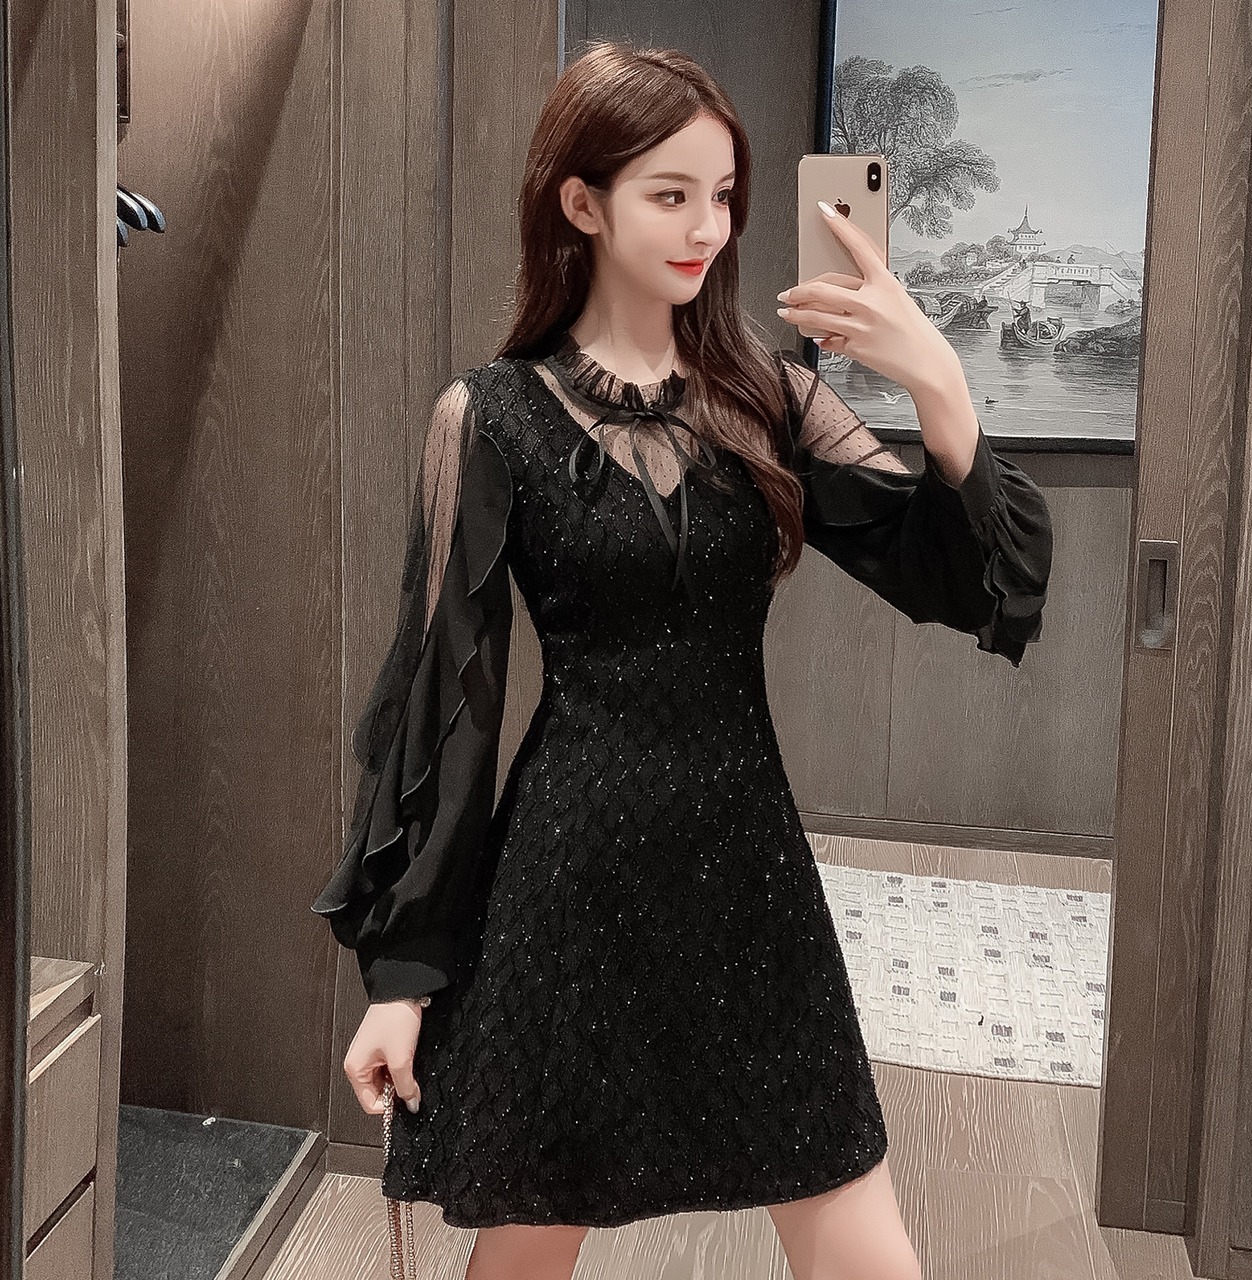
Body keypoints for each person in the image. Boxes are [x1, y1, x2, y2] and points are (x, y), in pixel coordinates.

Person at [310, 38, 1052, 1280]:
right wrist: (402, 977)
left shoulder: (763, 395)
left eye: (722, 195)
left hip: (747, 866)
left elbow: (957, 574)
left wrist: (933, 375)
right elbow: (446, 700)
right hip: (570, 877)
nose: (708, 226)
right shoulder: (488, 416)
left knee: (859, 1231)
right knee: (531, 1233)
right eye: (671, 194)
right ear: (581, 202)